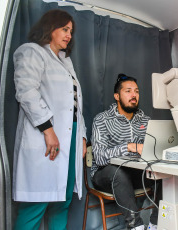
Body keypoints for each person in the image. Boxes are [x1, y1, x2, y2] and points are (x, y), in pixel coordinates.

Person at [12, 9, 87, 230]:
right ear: (50, 28)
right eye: (64, 29)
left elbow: (76, 107)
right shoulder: (32, 52)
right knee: (36, 203)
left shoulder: (66, 63)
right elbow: (26, 92)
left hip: (70, 136)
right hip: (45, 134)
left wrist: (81, 137)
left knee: (62, 202)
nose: (69, 35)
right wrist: (48, 130)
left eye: (71, 31)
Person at [90, 74, 161, 230]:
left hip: (135, 172)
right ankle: (136, 226)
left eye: (136, 91)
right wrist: (129, 146)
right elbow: (100, 158)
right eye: (128, 91)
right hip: (105, 174)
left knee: (164, 174)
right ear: (117, 96)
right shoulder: (102, 119)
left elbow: (151, 150)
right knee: (118, 173)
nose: (134, 95)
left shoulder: (145, 120)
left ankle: (155, 224)